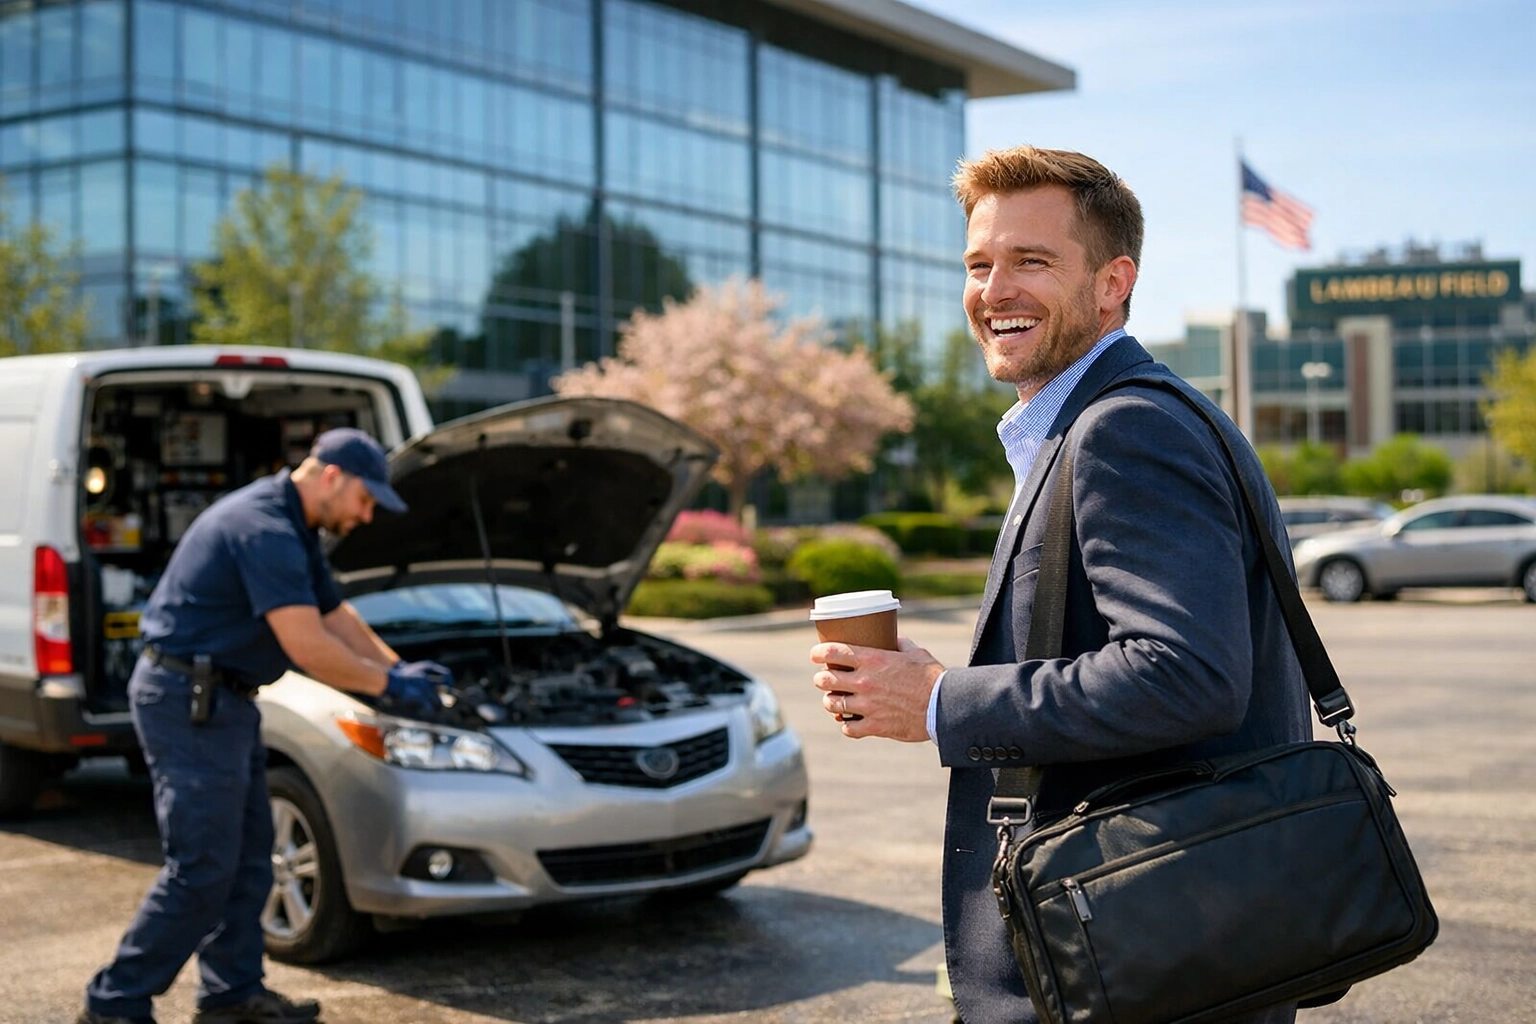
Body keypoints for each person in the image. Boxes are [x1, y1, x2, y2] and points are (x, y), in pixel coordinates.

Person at [809, 146, 1310, 1024]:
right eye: (979, 264)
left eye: (1031, 262)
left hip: (1145, 955)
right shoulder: (1119, 418)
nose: (994, 290)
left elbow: (1183, 676)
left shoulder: (1128, 430)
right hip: (1154, 944)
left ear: (1113, 282)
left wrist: (939, 703)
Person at [81, 428, 455, 1024]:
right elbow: (308, 644)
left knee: (253, 855)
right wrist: (388, 689)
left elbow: (336, 616)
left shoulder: (297, 524)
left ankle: (231, 994)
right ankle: (115, 1003)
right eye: (366, 499)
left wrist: (398, 666)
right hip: (185, 699)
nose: (367, 515)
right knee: (203, 867)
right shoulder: (265, 527)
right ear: (332, 476)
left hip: (224, 700)